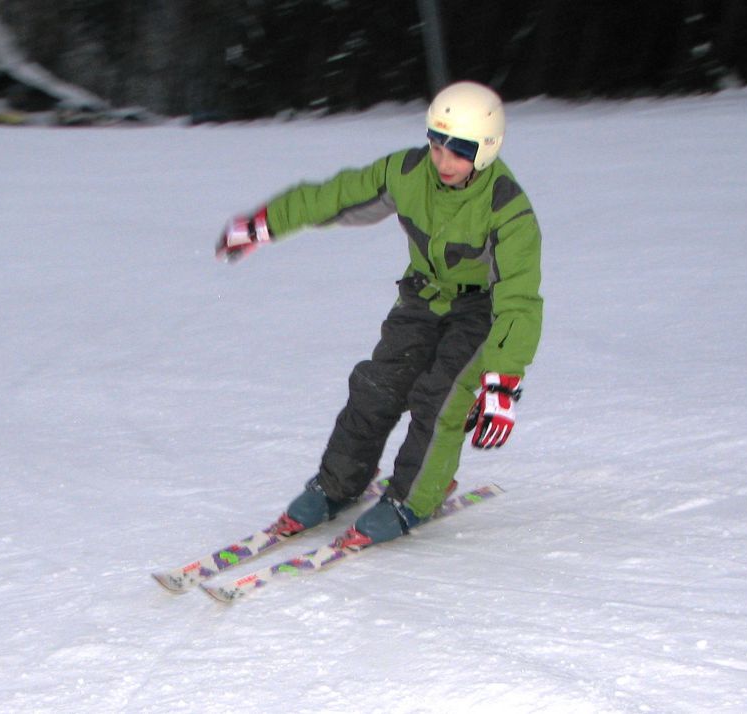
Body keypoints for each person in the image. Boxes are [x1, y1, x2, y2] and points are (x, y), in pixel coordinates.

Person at [215, 81, 543, 548]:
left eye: (460, 151)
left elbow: (520, 297)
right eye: (436, 144)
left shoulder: (508, 210)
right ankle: (336, 485)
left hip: (482, 311)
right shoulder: (407, 173)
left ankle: (414, 497)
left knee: (440, 397)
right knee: (376, 387)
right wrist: (265, 224)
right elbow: (335, 196)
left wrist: (503, 378)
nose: (443, 162)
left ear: (487, 149)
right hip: (423, 297)